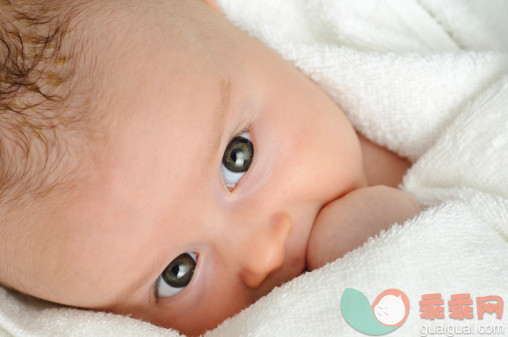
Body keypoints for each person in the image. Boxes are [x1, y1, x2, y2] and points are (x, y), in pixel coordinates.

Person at [0, 0, 419, 335]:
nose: (262, 257)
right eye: (176, 274)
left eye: (239, 156)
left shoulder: (402, 40)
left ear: (212, 13)